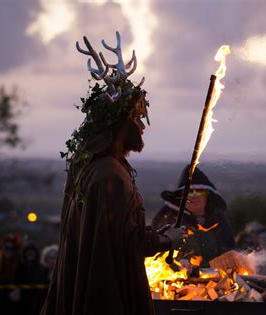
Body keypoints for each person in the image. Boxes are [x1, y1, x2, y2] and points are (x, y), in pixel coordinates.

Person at [41, 32, 186, 315]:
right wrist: (168, 239)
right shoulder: (110, 175)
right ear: (119, 124)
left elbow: (112, 231)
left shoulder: (87, 167)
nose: (142, 127)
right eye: (136, 119)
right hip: (107, 294)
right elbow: (124, 242)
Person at [152, 166, 236, 268]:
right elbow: (156, 255)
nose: (194, 196)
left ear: (207, 194)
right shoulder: (168, 217)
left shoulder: (218, 218)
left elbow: (230, 249)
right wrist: (178, 263)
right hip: (179, 279)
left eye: (199, 191)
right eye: (189, 192)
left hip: (218, 278)